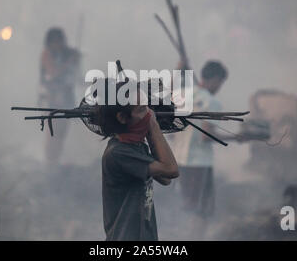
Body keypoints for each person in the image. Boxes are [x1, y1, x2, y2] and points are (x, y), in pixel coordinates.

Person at [98, 81, 179, 241]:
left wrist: (148, 134)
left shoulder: (135, 146)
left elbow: (165, 179)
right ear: (122, 117)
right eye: (142, 109)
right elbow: (171, 169)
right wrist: (153, 126)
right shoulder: (119, 153)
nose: (148, 113)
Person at [172, 60, 243, 239]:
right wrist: (235, 138)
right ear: (214, 79)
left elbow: (171, 130)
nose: (219, 87)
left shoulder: (180, 95)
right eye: (220, 82)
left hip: (179, 160)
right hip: (200, 164)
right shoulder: (212, 103)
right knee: (202, 211)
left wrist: (177, 70)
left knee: (188, 207)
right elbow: (206, 136)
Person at [39, 27, 81, 165]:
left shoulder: (67, 54)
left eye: (60, 41)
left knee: (62, 132)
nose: (58, 44)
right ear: (50, 43)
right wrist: (69, 62)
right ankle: (50, 162)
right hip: (52, 98)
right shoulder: (47, 54)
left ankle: (55, 161)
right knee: (53, 131)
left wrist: (75, 60)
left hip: (66, 97)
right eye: (55, 42)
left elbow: (75, 76)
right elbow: (53, 73)